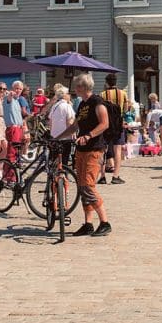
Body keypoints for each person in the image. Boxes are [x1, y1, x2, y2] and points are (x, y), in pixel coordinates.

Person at [57, 73, 111, 237]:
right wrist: (58, 138)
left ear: (83, 87)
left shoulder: (97, 102)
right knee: (82, 186)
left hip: (94, 149)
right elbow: (75, 126)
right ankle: (88, 223)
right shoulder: (82, 104)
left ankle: (105, 222)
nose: (74, 88)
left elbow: (104, 124)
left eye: (76, 86)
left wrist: (89, 135)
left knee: (88, 186)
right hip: (81, 149)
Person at [99, 73, 130, 185]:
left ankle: (102, 176)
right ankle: (115, 176)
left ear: (106, 82)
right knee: (117, 150)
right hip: (118, 124)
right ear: (116, 82)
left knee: (103, 150)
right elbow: (126, 110)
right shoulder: (123, 94)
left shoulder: (102, 94)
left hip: (106, 123)